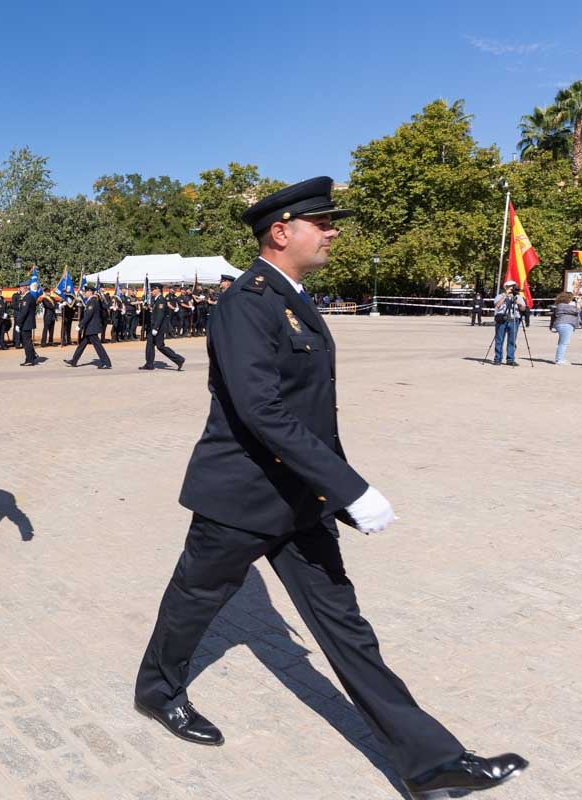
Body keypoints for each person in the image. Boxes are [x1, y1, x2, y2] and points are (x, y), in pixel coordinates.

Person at [134, 177, 526, 800]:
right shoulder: (247, 302)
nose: (334, 230)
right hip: (241, 497)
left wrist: (331, 489)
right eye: (322, 222)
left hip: (299, 496)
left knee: (345, 626)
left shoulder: (294, 299)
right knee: (194, 603)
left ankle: (430, 763)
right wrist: (352, 488)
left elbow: (310, 408)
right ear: (281, 232)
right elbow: (262, 410)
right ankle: (157, 690)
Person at [63, 284, 111, 369]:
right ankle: (74, 360)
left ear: (90, 292)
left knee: (98, 346)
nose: (85, 293)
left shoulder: (92, 301)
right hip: (90, 327)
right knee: (82, 344)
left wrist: (80, 325)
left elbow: (88, 315)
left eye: (86, 291)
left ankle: (106, 362)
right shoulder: (91, 300)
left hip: (92, 327)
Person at [139, 284, 185, 371]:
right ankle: (149, 364)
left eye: (152, 290)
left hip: (158, 328)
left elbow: (160, 315)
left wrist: (156, 328)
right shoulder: (156, 300)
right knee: (150, 344)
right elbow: (155, 313)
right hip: (154, 326)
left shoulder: (161, 300)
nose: (151, 292)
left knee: (160, 346)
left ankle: (179, 359)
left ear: (158, 290)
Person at [493, 280, 526, 366]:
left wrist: (518, 303)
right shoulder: (500, 296)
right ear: (506, 287)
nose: (513, 288)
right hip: (502, 319)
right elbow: (497, 305)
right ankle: (497, 359)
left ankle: (510, 359)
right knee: (499, 340)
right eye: (511, 286)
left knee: (512, 341)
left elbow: (523, 309)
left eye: (513, 286)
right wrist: (505, 296)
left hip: (514, 319)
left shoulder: (518, 297)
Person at [549, 291, 581, 365]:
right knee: (563, 343)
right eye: (571, 298)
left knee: (562, 342)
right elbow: (577, 310)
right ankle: (559, 359)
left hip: (564, 325)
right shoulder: (563, 306)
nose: (572, 300)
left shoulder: (561, 305)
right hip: (565, 325)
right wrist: (578, 303)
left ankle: (561, 358)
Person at [13, 285, 39, 366]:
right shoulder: (29, 296)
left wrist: (18, 324)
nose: (20, 290)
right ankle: (32, 357)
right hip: (28, 323)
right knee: (28, 342)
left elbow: (24, 312)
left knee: (26, 342)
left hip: (26, 323)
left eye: (21, 288)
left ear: (24, 288)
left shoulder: (27, 297)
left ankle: (30, 360)